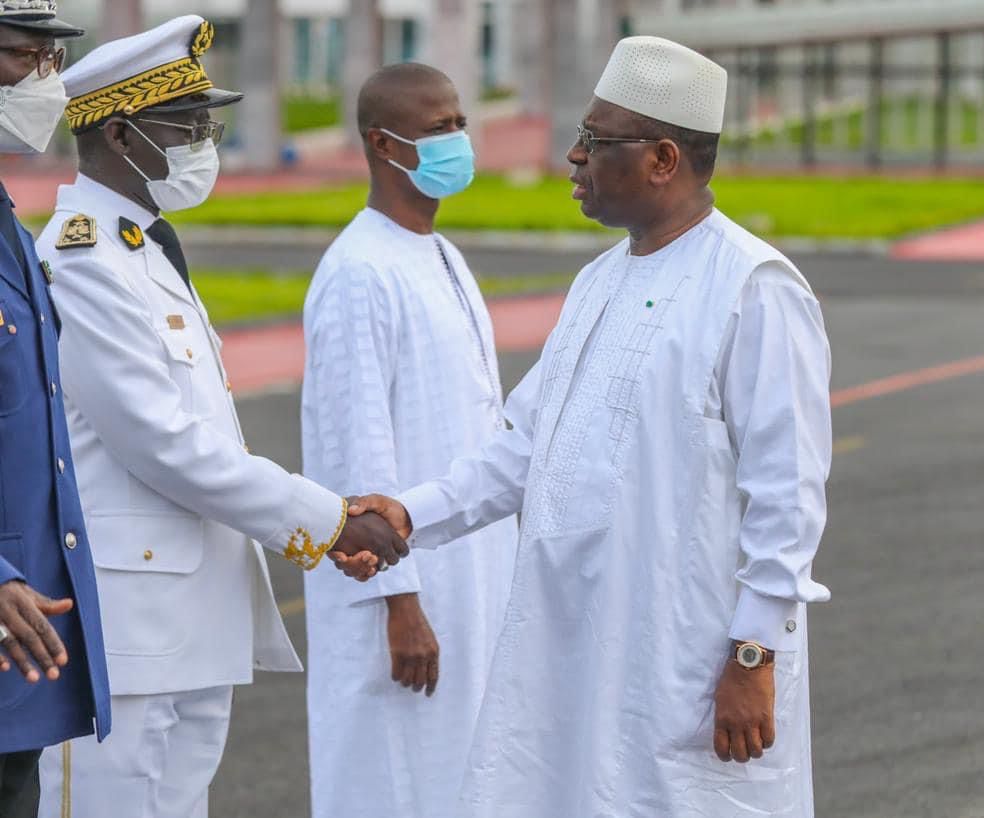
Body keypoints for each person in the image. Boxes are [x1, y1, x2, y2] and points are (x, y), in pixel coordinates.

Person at [340, 35, 833, 817]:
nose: (573, 156)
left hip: (689, 650)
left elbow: (788, 494)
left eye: (597, 142)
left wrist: (753, 652)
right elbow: (526, 448)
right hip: (573, 643)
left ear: (663, 160)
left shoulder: (753, 287)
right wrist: (414, 513)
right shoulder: (600, 280)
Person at [33, 16, 401, 818]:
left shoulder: (144, 249)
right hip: (122, 636)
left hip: (194, 626)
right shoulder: (83, 260)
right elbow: (163, 443)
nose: (207, 143)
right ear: (125, 137)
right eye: (190, 127)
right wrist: (327, 520)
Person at [301, 62, 517, 818]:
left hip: (471, 583)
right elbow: (356, 449)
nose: (457, 140)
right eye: (436, 129)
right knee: (391, 784)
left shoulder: (439, 254)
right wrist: (400, 602)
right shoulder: (358, 270)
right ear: (381, 144)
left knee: (460, 781)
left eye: (459, 122)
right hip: (398, 599)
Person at [0, 3, 109, 816]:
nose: (47, 81)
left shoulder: (7, 219)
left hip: (25, 633)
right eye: (25, 58)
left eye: (51, 59)